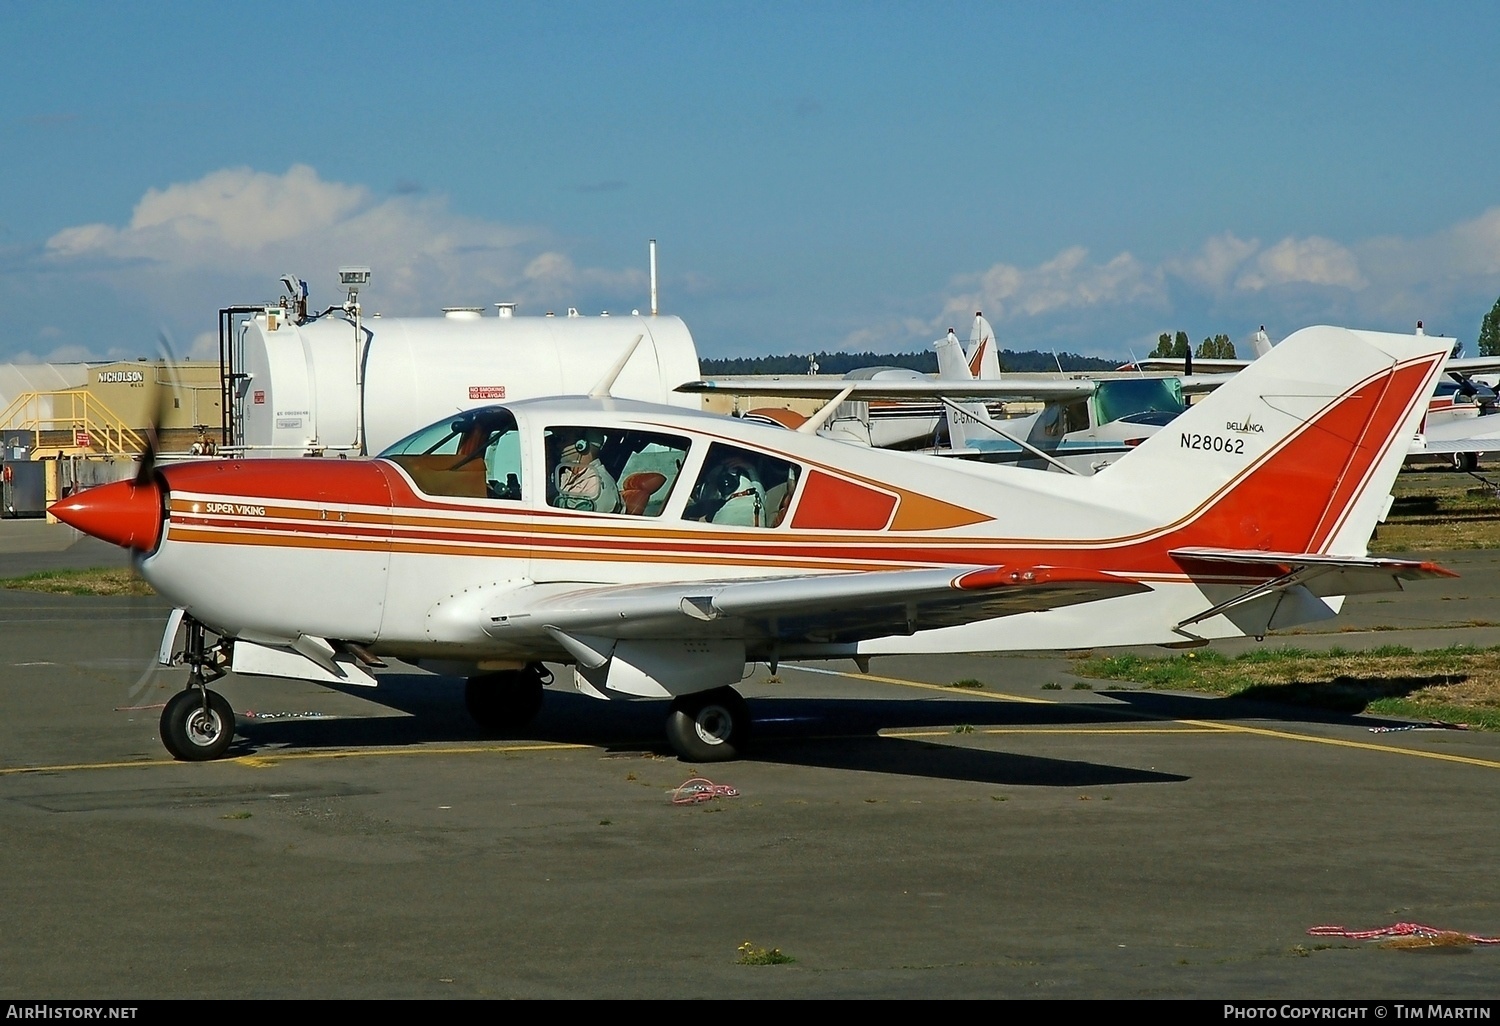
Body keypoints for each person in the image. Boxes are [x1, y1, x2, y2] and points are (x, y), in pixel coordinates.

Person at [552, 429, 620, 513]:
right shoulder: (567, 476)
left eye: (563, 440)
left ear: (581, 445)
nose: (558, 445)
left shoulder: (597, 484)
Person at [706, 454, 765, 526]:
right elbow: (758, 486)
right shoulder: (757, 497)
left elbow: (708, 496)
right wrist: (750, 468)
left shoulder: (727, 514)